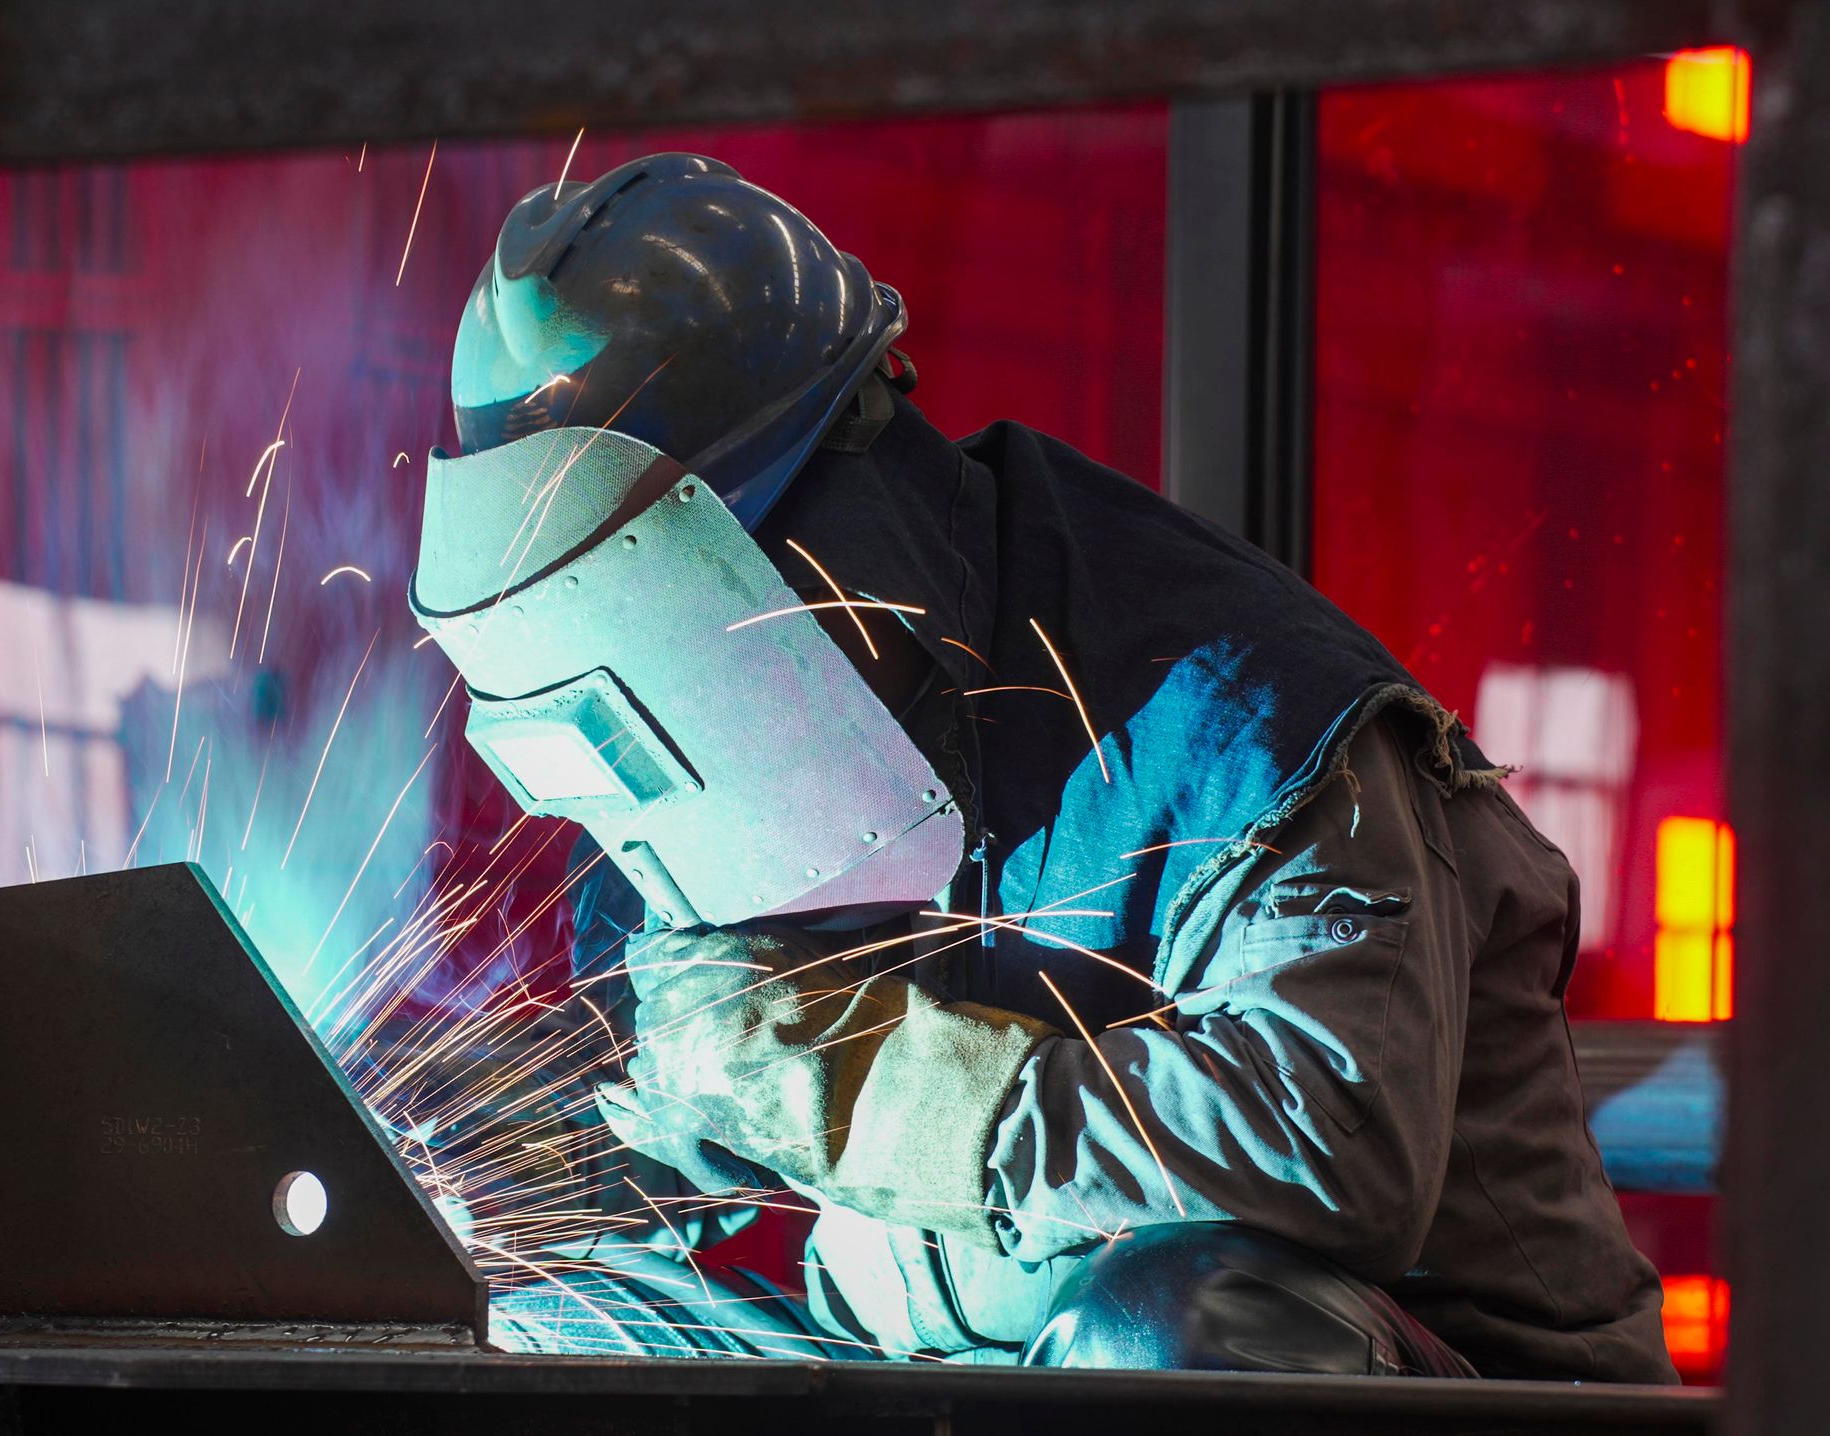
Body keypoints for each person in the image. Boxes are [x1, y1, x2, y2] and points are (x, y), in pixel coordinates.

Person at [406, 153, 1674, 1379]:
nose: (690, 671)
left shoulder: (1246, 720)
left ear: (826, 518)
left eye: (694, 607)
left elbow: (1321, 1150)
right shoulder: (716, 745)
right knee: (545, 1312)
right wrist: (555, 1139)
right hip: (971, 1379)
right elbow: (693, 1094)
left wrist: (848, 1086)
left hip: (1445, 1392)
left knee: (1182, 1322)